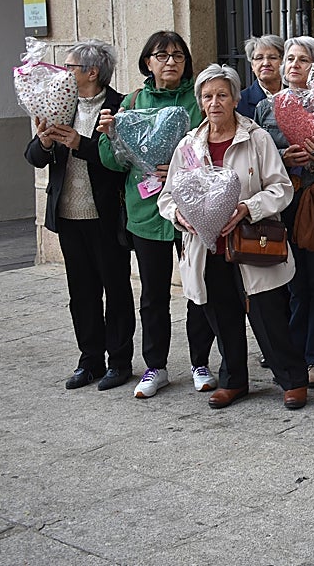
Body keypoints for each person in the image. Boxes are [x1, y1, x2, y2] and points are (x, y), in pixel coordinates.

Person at [158, 64, 308, 409]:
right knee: (221, 316)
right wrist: (181, 216)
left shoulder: (255, 138)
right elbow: (168, 197)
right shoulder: (188, 146)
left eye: (222, 95)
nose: (215, 103)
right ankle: (233, 380)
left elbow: (281, 188)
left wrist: (247, 208)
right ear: (200, 102)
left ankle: (292, 379)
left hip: (251, 242)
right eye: (208, 96)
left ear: (236, 98)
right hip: (207, 247)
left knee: (268, 314)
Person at [97, 31, 217, 399]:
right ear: (147, 62)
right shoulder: (133, 102)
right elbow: (110, 159)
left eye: (178, 55)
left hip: (193, 210)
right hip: (147, 213)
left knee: (199, 289)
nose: (170, 62)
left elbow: (214, 147)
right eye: (161, 55)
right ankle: (156, 366)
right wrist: (113, 136)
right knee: (153, 294)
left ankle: (200, 361)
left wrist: (181, 171)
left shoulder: (199, 100)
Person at [25, 40, 135, 391]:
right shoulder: (61, 104)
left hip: (106, 216)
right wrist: (44, 142)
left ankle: (119, 362)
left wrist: (81, 144)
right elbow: (33, 157)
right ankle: (89, 361)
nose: (63, 74)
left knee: (116, 291)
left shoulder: (120, 107)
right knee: (82, 293)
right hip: (69, 215)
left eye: (69, 68)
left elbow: (124, 163)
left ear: (92, 72)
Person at [254, 35, 314, 389]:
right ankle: (292, 350)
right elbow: (256, 157)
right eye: (290, 59)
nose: (293, 65)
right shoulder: (268, 108)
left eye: (303, 60)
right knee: (291, 283)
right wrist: (281, 158)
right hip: (282, 207)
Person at [236, 35, 285, 118]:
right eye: (259, 58)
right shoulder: (240, 102)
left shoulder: (296, 95)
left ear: (283, 62)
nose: (266, 63)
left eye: (272, 58)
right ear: (252, 65)